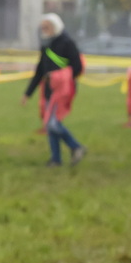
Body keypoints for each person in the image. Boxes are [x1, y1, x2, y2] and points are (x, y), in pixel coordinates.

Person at [22, 12, 86, 166]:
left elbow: (77, 67)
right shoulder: (46, 45)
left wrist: (59, 77)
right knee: (50, 125)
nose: (44, 30)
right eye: (43, 27)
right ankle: (56, 159)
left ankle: (76, 147)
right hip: (48, 91)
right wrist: (27, 93)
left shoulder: (67, 43)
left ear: (55, 26)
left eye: (47, 27)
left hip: (63, 90)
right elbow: (40, 71)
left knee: (53, 124)